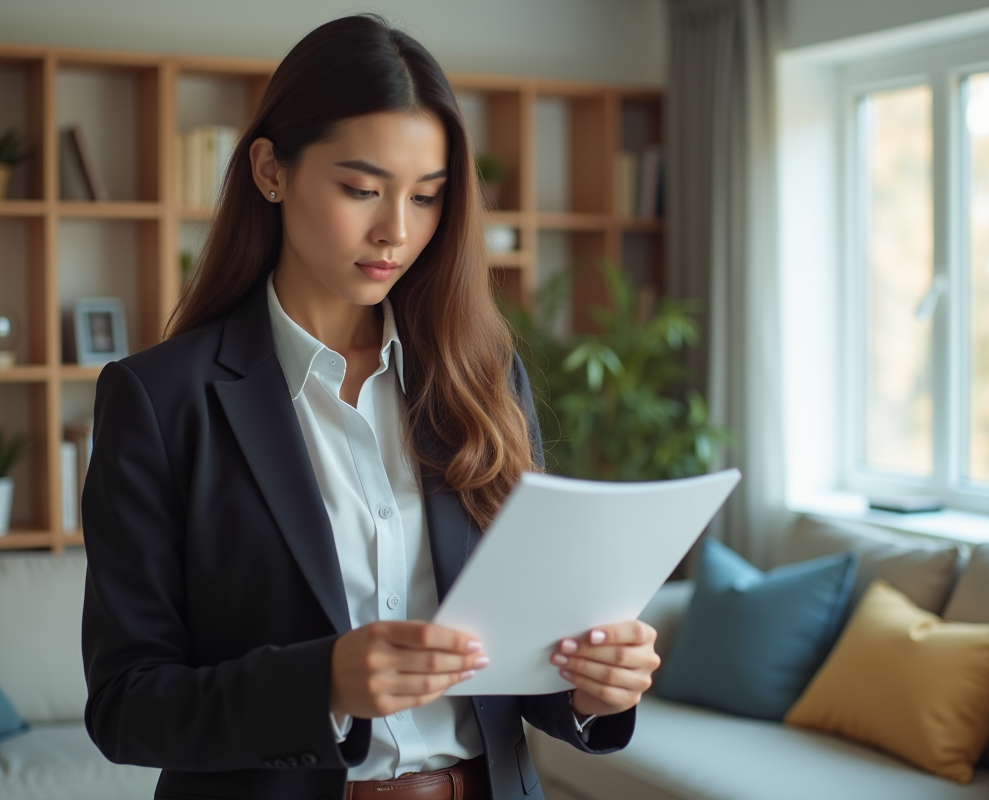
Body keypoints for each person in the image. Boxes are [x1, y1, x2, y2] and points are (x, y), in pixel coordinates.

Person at [80, 14, 659, 800]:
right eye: (360, 189)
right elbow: (125, 706)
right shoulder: (159, 400)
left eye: (426, 198)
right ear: (270, 170)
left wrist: (594, 688)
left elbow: (521, 664)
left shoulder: (483, 377)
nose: (396, 231)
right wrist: (320, 684)